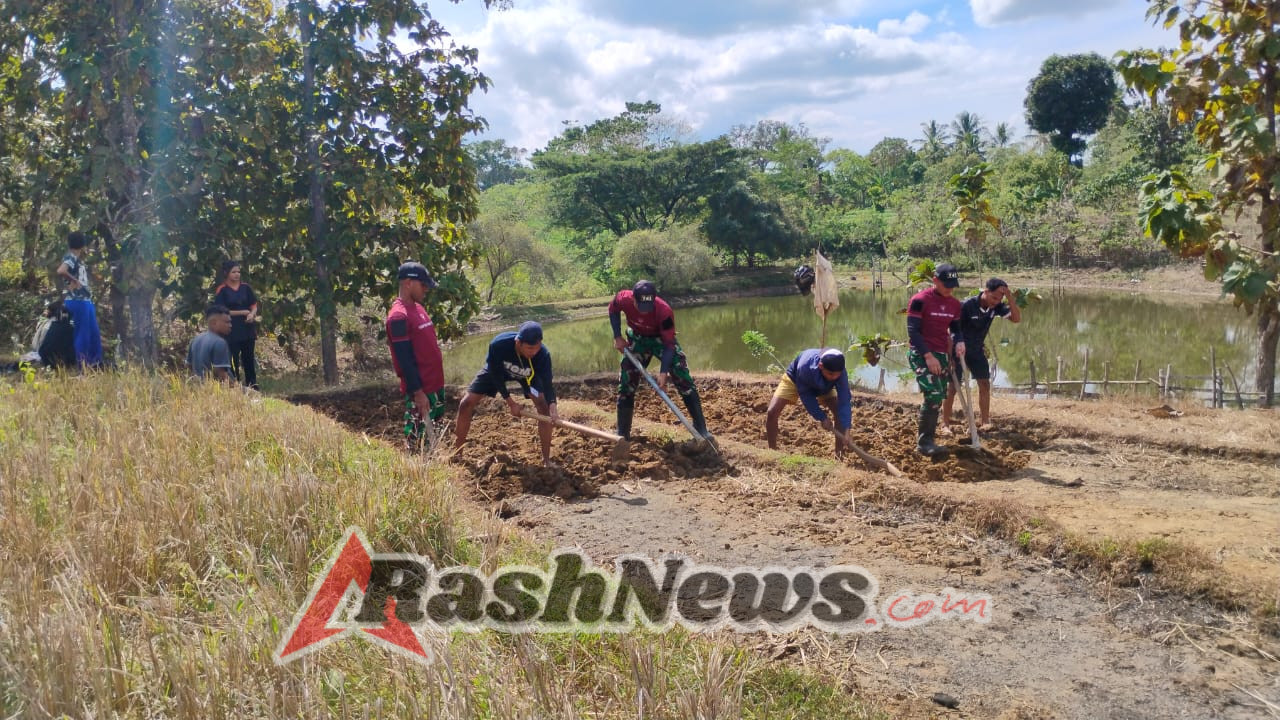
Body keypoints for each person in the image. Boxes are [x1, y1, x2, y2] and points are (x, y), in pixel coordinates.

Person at [609, 279, 712, 442]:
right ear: (633, 299)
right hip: (637, 338)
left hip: (661, 340)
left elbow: (669, 344)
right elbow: (613, 309)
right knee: (627, 381)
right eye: (641, 306)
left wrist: (663, 372)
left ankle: (702, 429)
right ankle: (622, 434)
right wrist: (617, 336)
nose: (645, 311)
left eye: (648, 307)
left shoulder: (664, 311)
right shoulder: (623, 298)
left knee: (682, 375)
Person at [454, 321, 560, 467]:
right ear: (518, 342)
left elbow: (547, 383)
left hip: (527, 374)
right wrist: (511, 402)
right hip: (498, 371)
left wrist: (553, 404)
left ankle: (546, 460)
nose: (533, 352)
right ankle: (457, 454)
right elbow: (495, 376)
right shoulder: (499, 345)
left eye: (537, 347)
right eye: (530, 348)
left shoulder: (542, 355)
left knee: (544, 408)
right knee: (466, 403)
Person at [942, 277, 1022, 432]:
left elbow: (1016, 319)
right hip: (958, 349)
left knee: (984, 384)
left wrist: (1009, 297)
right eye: (994, 297)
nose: (996, 302)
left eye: (999, 299)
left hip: (976, 350)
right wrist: (950, 356)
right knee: (952, 387)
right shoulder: (966, 306)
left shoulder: (996, 307)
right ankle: (945, 424)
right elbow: (951, 330)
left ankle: (985, 422)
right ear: (985, 291)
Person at [386, 261, 446, 450]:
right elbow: (404, 360)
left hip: (435, 385)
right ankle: (416, 465)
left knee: (435, 434)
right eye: (423, 285)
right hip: (422, 390)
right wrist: (418, 393)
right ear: (408, 283)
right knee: (418, 439)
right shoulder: (398, 317)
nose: (426, 289)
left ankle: (434, 461)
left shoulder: (418, 308)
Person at [906, 263, 964, 457]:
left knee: (938, 396)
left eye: (953, 286)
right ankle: (924, 443)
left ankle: (928, 438)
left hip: (942, 354)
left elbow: (956, 329)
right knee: (933, 394)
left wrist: (959, 342)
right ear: (935, 280)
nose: (950, 289)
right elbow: (913, 331)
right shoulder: (920, 300)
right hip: (922, 353)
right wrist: (928, 356)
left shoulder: (955, 305)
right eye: (946, 285)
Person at [765, 348, 852, 457]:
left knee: (838, 412)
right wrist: (822, 417)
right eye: (830, 374)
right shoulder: (804, 367)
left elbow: (844, 400)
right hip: (796, 380)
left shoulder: (840, 373)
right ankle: (772, 452)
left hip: (825, 387)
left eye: (837, 375)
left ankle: (839, 454)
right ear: (820, 366)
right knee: (772, 412)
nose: (834, 377)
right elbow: (807, 397)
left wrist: (847, 429)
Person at [55, 231, 103, 369]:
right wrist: (74, 280)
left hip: (85, 300)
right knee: (83, 334)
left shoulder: (76, 258)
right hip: (77, 300)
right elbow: (61, 270)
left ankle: (95, 364)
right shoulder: (70, 256)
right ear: (82, 244)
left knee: (93, 333)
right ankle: (83, 366)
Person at [213, 260, 260, 389]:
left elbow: (254, 305)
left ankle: (253, 386)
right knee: (233, 360)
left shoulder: (246, 288)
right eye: (233, 272)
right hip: (231, 330)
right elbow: (221, 310)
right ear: (226, 273)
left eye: (238, 272)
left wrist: (252, 314)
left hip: (247, 329)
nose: (237, 274)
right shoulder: (222, 290)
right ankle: (235, 386)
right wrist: (242, 312)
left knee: (248, 358)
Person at [187, 304, 234, 384]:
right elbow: (222, 377)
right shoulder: (220, 342)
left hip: (200, 387)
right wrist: (242, 389)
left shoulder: (196, 339)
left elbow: (189, 366)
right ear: (214, 323)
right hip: (217, 389)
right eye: (227, 322)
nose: (230, 325)